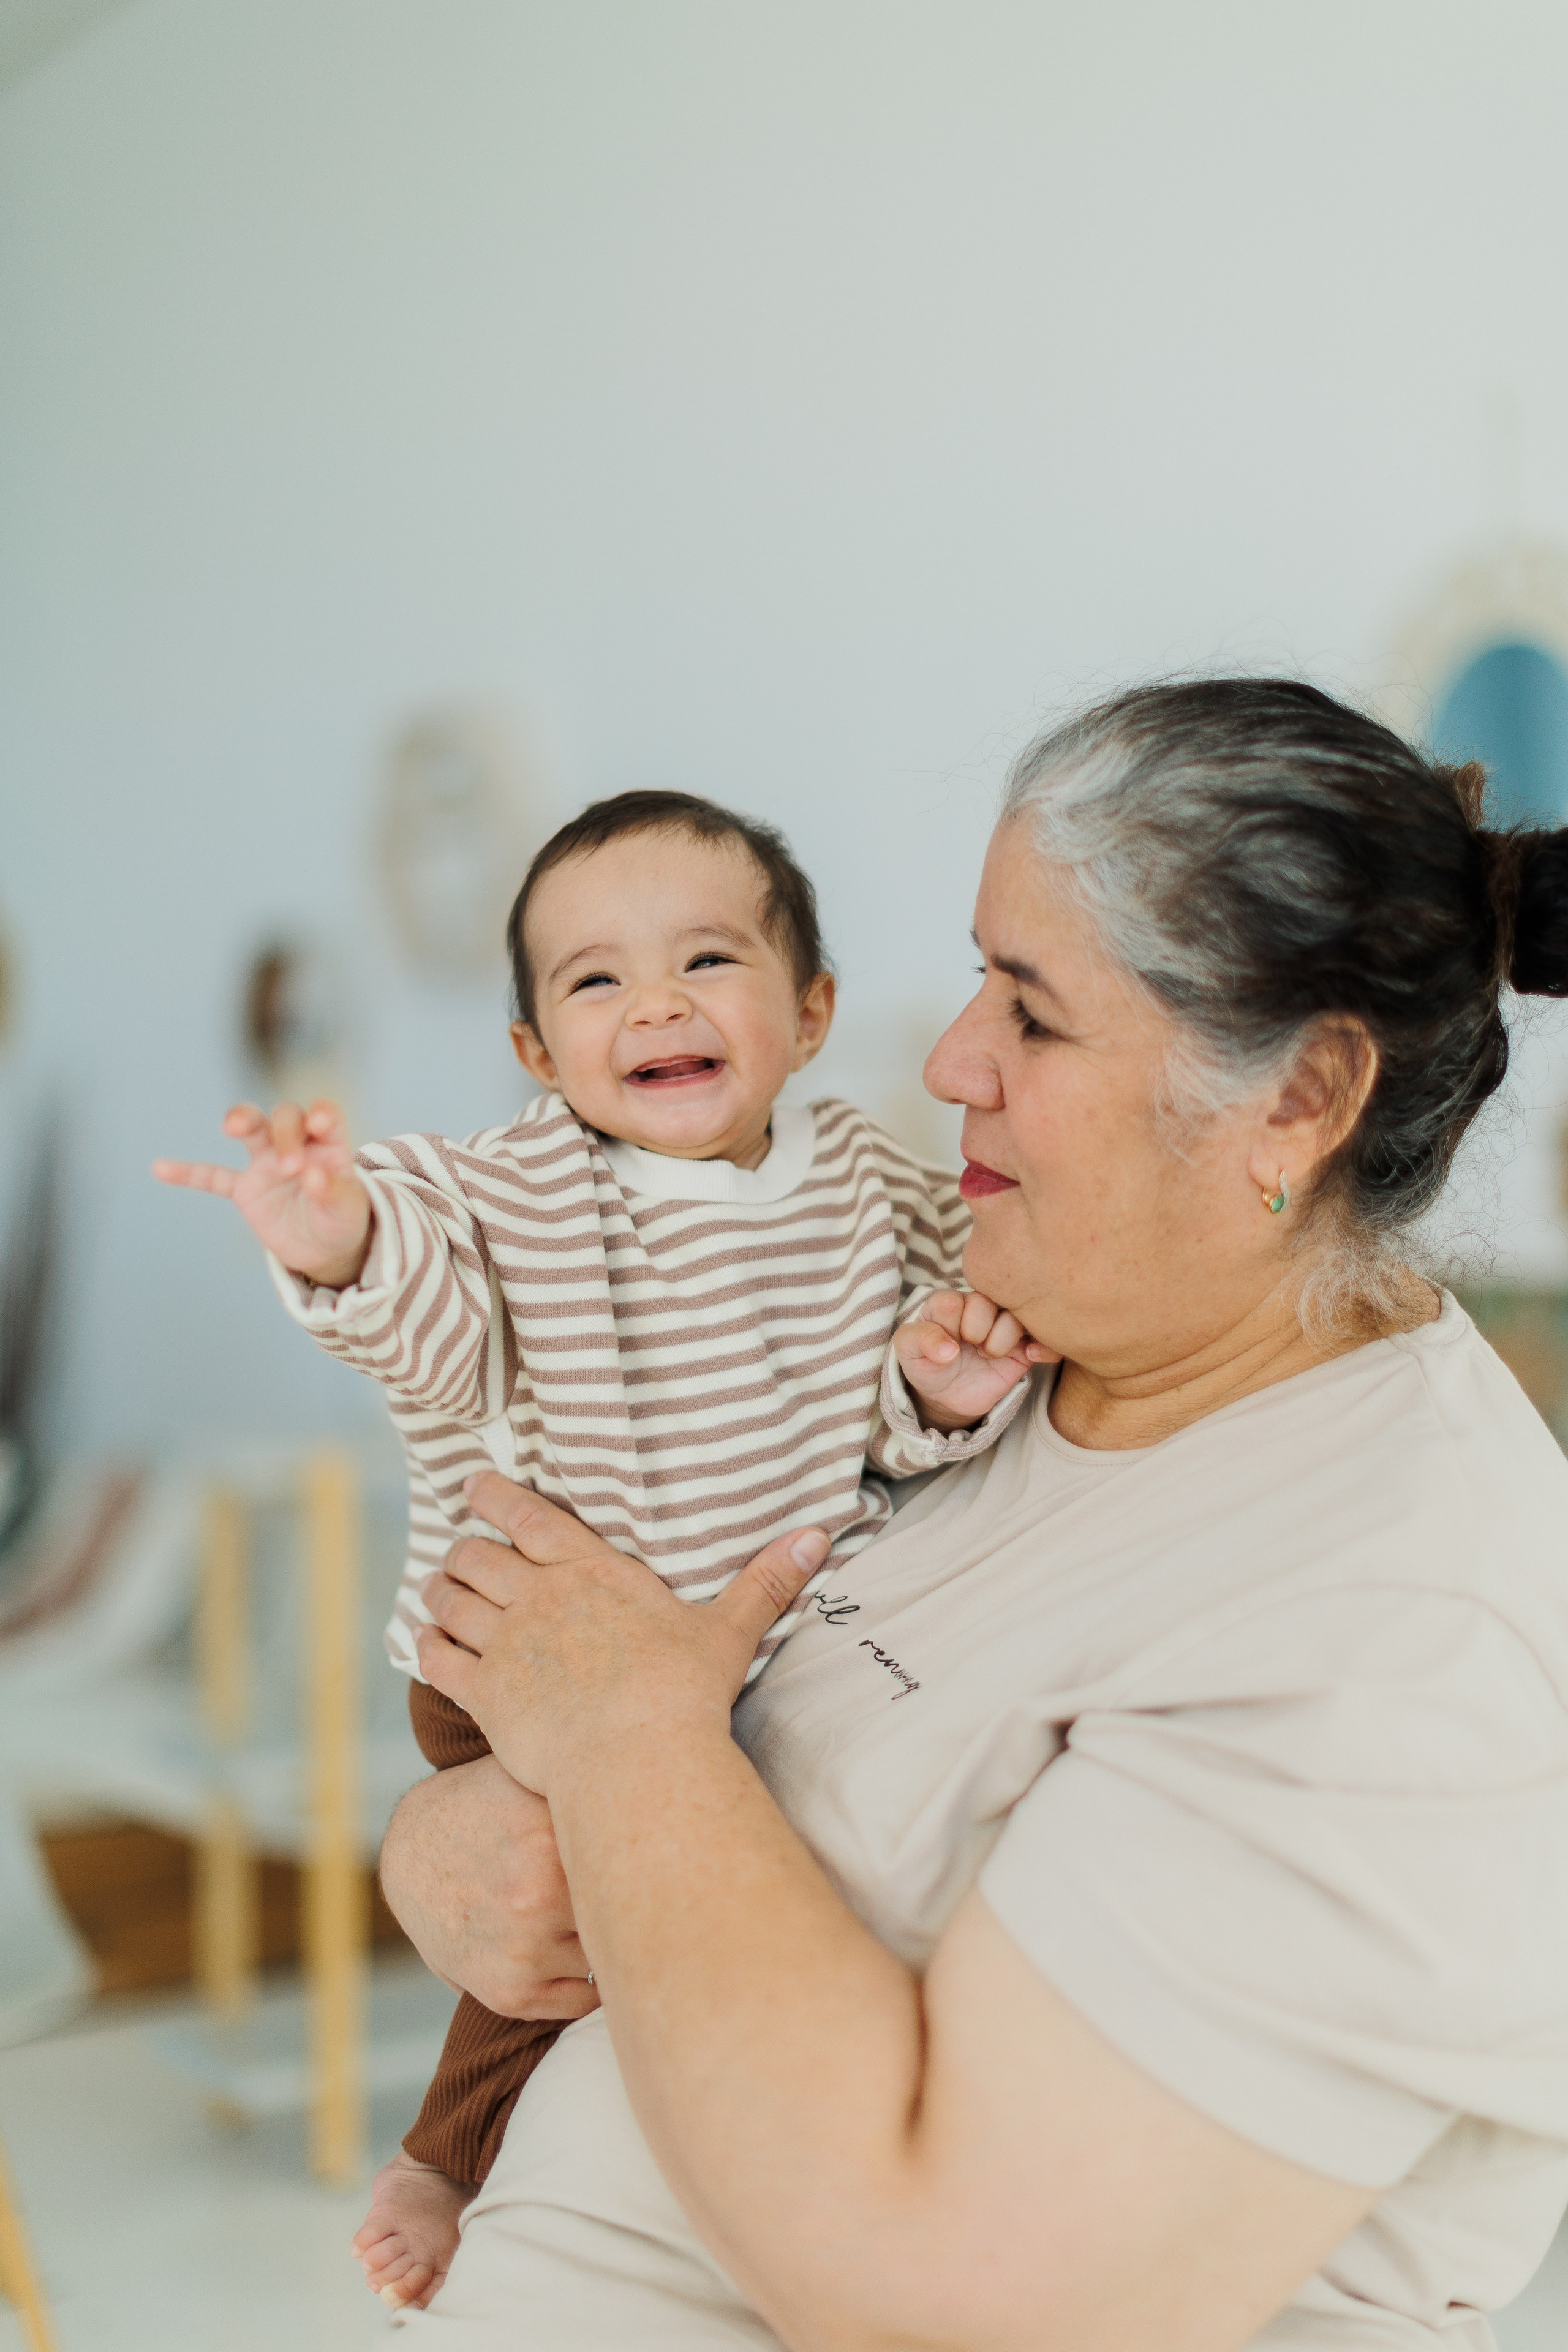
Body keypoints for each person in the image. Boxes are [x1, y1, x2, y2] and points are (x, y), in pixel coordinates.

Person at [378, 679, 1568, 2351]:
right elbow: (696, 1766)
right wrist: (445, 1850)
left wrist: (624, 1741)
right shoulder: (981, 1339)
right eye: (975, 975)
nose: (950, 1059)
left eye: (1033, 1011)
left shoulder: (1402, 1629)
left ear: (1299, 1096)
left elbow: (958, 2292)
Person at [153, 789, 1043, 2308]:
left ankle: (697, 2173)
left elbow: (902, 1395)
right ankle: (445, 2156)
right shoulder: (516, 1193)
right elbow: (425, 1314)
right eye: (593, 981)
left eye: (707, 960)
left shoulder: (867, 1181)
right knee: (553, 1911)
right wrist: (335, 1234)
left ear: (810, 1013)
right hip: (526, 1650)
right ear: (535, 1053)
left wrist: (936, 1384)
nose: (654, 1005)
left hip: (753, 1655)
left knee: (666, 1913)